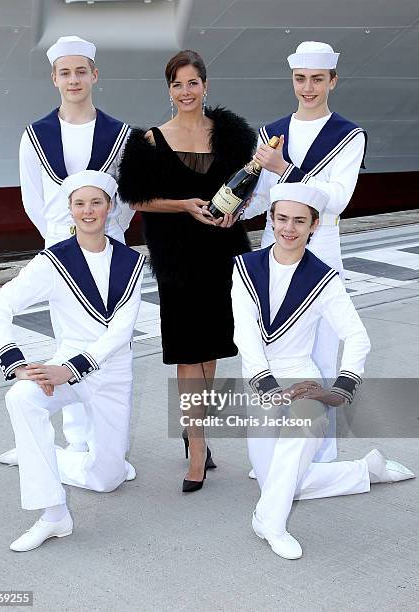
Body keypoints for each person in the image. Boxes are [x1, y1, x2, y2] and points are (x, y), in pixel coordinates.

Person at [231, 182, 415, 560]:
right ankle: (366, 471)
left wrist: (340, 388)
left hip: (303, 378)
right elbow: (244, 333)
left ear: (314, 226)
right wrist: (266, 386)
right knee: (279, 481)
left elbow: (357, 337)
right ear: (271, 218)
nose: (289, 228)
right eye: (282, 218)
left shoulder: (324, 278)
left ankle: (270, 522)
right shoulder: (244, 267)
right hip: (259, 378)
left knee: (293, 452)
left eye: (300, 221)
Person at [0, 171, 145, 552]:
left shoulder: (132, 261)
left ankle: (38, 454)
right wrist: (18, 364)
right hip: (67, 364)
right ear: (69, 210)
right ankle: (54, 515)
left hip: (111, 370)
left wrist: (70, 369)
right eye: (79, 204)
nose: (88, 211)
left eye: (96, 203)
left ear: (109, 208)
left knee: (107, 479)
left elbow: (120, 333)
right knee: (21, 398)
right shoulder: (52, 262)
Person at [118, 50, 256, 492]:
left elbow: (245, 185)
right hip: (177, 257)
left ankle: (196, 429)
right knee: (186, 351)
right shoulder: (152, 141)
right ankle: (197, 447)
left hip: (221, 251)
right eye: (177, 85)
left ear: (205, 86)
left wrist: (238, 211)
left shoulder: (230, 135)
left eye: (192, 83)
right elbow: (136, 200)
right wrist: (184, 204)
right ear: (169, 90)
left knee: (211, 348)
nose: (185, 92)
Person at [8, 35, 133, 456]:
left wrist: (107, 234)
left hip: (109, 251)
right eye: (66, 72)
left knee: (112, 343)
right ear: (54, 79)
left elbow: (129, 199)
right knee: (69, 341)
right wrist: (62, 240)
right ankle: (77, 441)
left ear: (94, 75)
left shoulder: (120, 135)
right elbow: (32, 198)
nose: (74, 79)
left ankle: (105, 440)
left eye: (81, 71)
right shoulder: (35, 135)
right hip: (61, 252)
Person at [243, 41, 367, 462]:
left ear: (332, 80)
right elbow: (264, 195)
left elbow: (337, 199)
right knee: (271, 336)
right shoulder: (273, 130)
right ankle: (276, 442)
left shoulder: (348, 135)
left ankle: (320, 451)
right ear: (292, 80)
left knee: (322, 344)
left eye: (317, 80)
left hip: (322, 241)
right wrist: (234, 208)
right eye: (301, 79)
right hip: (273, 240)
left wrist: (283, 169)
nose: (308, 88)